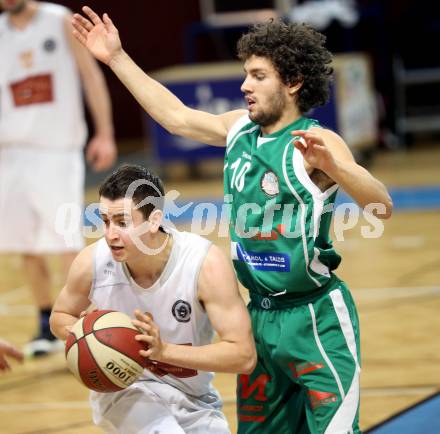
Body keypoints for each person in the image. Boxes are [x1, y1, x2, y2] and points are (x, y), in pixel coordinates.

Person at [72, 7, 393, 433]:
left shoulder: (315, 142)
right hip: (258, 318)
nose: (245, 85)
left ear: (293, 83)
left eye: (259, 76)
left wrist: (339, 167)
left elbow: (382, 204)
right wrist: (116, 58)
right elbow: (175, 116)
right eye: (246, 74)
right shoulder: (238, 130)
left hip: (315, 317)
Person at [50, 164, 256, 434]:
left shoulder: (203, 264)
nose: (111, 234)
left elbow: (243, 355)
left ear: (154, 220)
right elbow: (59, 316)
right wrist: (82, 335)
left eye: (123, 222)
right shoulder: (92, 262)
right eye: (105, 221)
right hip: (125, 392)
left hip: (193, 400)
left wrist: (163, 352)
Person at [0, 0, 117, 357]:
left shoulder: (60, 20)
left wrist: (105, 132)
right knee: (25, 243)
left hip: (57, 148)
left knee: (66, 239)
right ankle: (43, 322)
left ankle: (78, 318)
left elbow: (91, 76)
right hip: (10, 151)